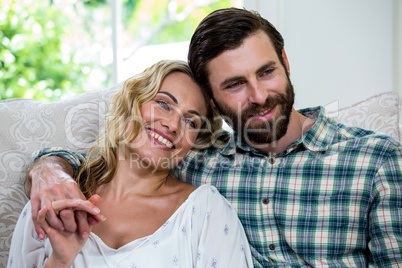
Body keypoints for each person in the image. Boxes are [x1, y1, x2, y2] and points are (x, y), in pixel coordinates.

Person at [24, 7, 402, 267]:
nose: (258, 95)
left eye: (267, 71)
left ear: (285, 63)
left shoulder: (377, 161)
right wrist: (49, 170)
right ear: (213, 102)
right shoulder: (195, 156)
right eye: (235, 84)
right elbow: (111, 159)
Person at [8, 59, 253, 267]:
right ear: (132, 103)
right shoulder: (51, 196)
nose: (172, 125)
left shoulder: (205, 212)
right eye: (164, 104)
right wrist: (60, 261)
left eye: (191, 122)